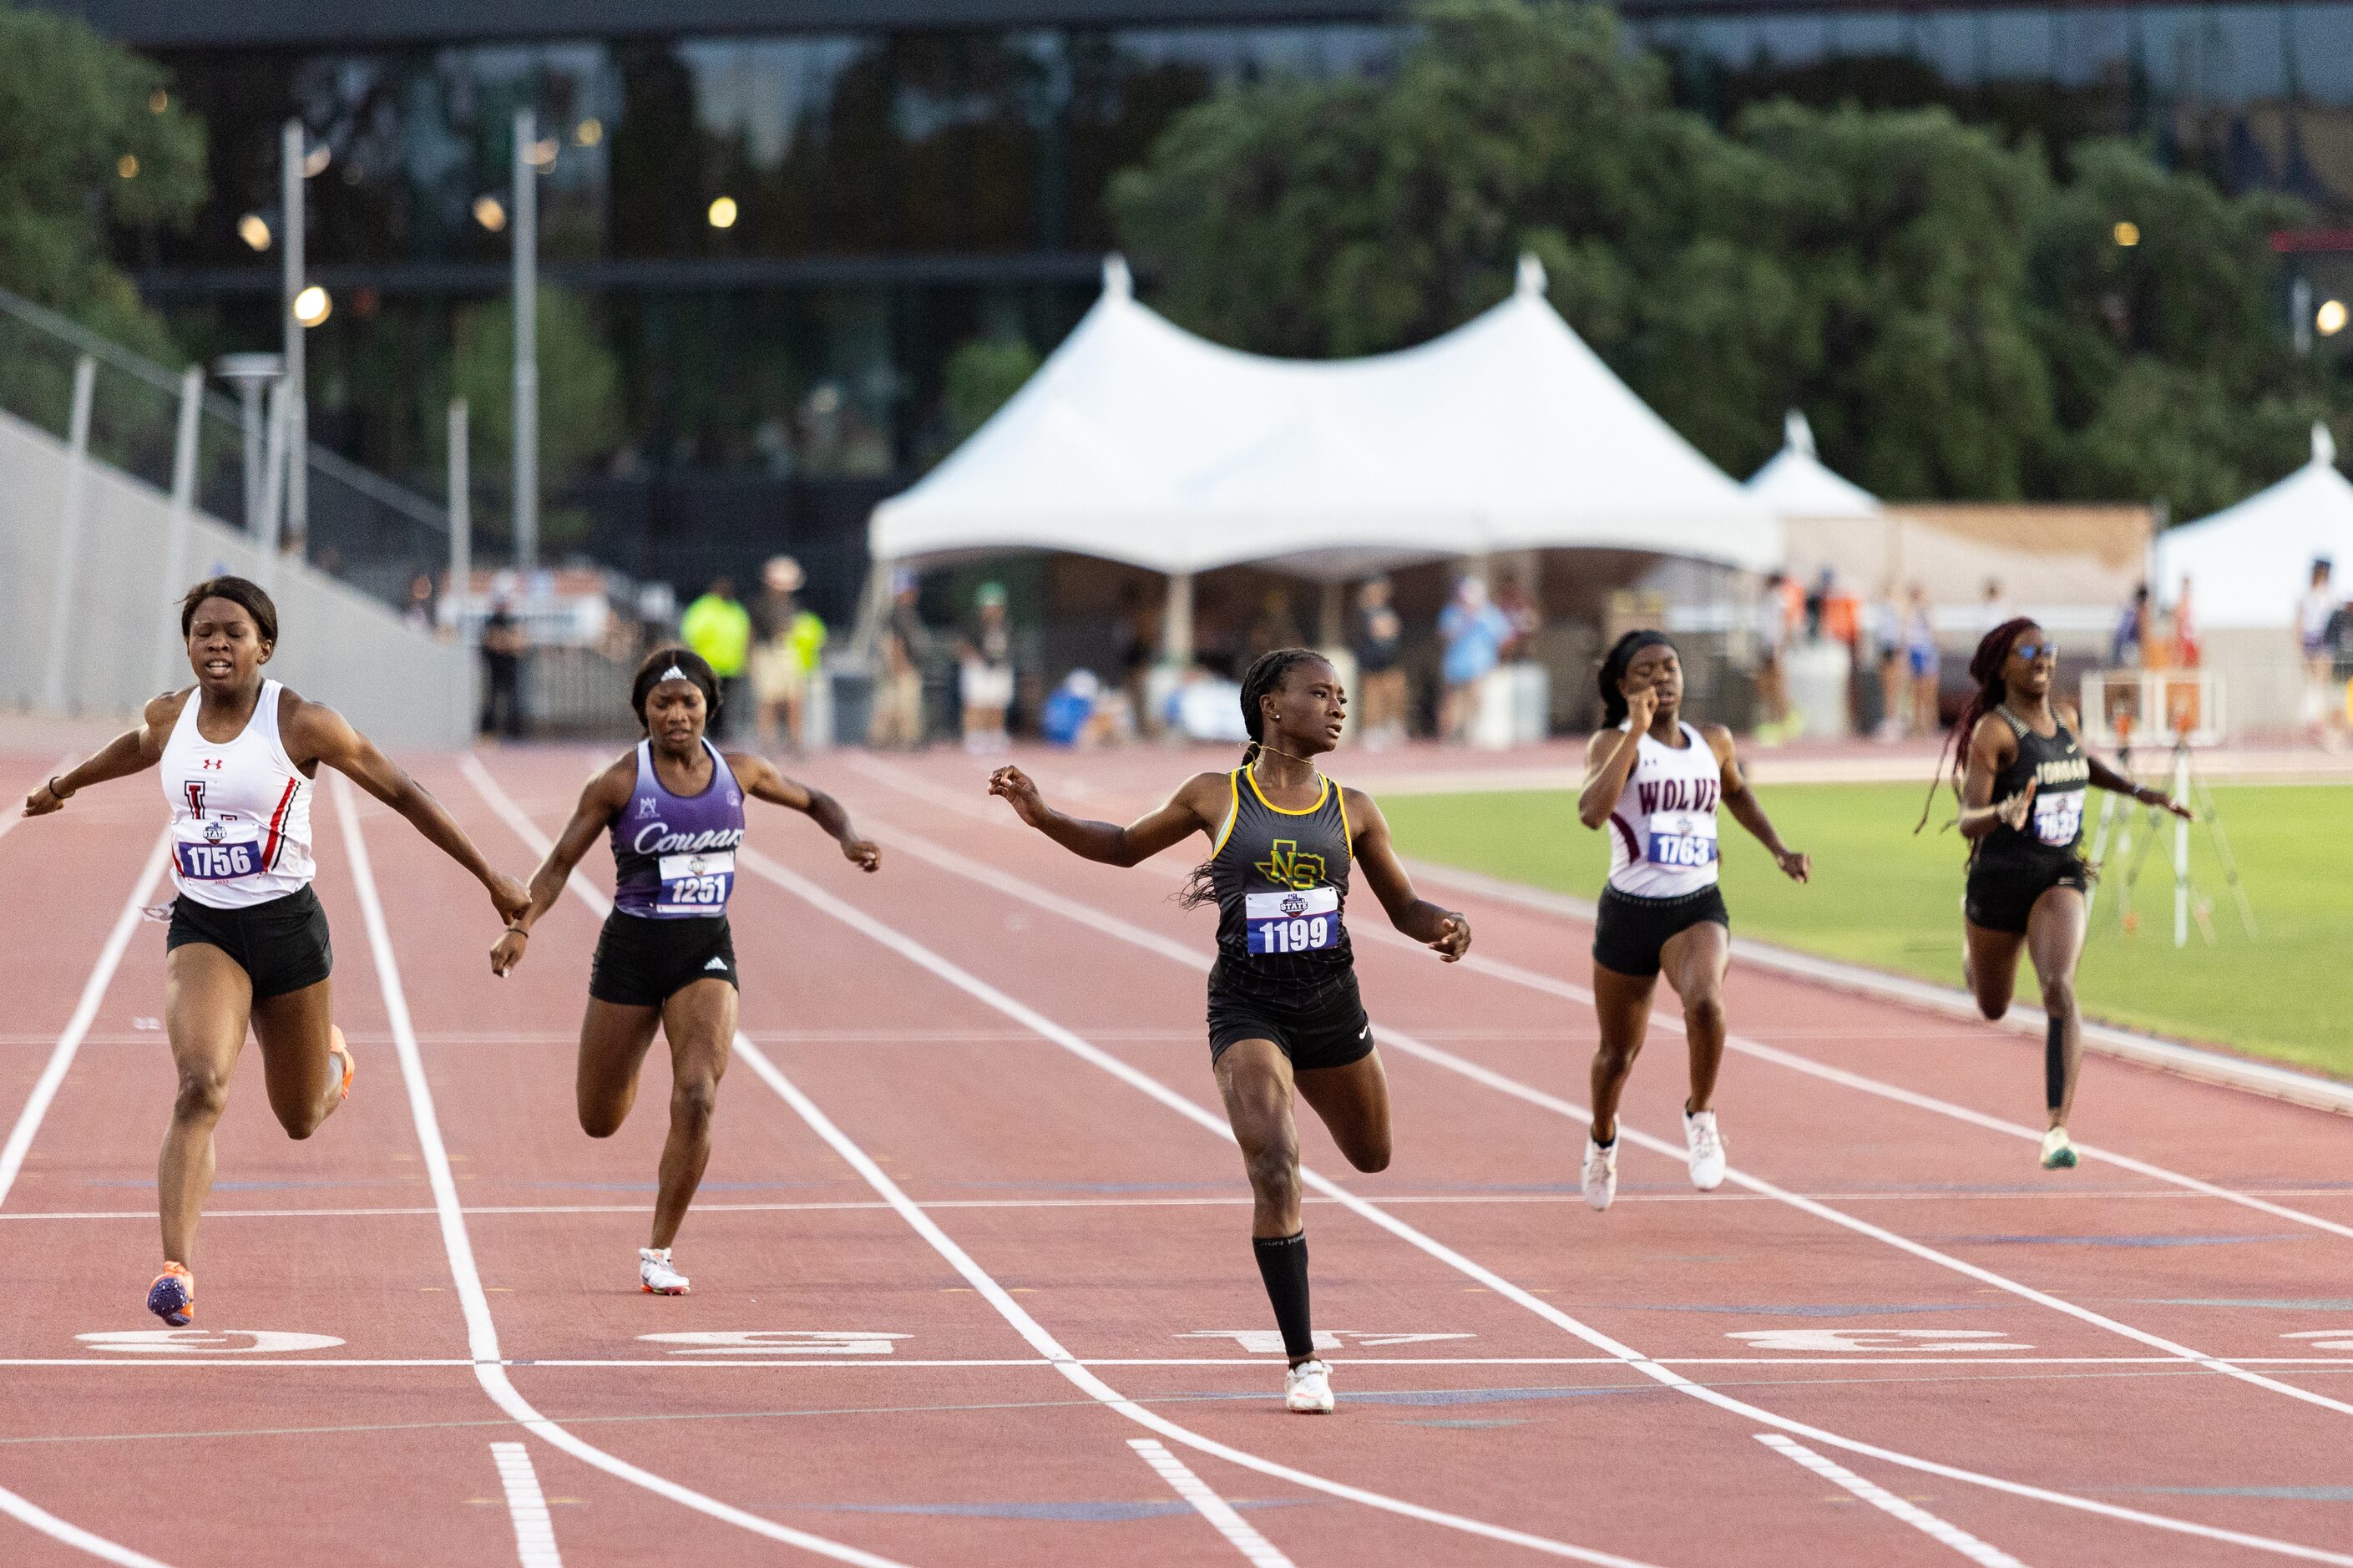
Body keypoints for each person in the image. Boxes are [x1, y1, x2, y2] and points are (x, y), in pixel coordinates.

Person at [22, 575, 529, 1325]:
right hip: (206, 929)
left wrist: (491, 878)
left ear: (265, 643)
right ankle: (176, 1270)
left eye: (233, 632)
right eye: (203, 633)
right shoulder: (172, 715)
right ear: (188, 646)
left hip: (289, 933)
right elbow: (135, 747)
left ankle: (333, 1064)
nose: (217, 644)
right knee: (202, 1087)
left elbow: (404, 789)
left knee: (299, 1117)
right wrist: (64, 784)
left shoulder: (302, 723)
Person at [987, 649, 1470, 1414]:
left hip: (1330, 1003)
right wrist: (1042, 815)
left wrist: (1443, 924)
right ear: (1272, 706)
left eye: (1342, 697)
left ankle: (1304, 1349)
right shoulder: (1216, 795)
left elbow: (1403, 907)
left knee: (1373, 1156)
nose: (1338, 708)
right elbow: (1121, 847)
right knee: (1276, 1165)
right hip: (1247, 1004)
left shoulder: (1356, 808)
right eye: (1321, 694)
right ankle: (1304, 1362)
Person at [490, 648, 879, 1294]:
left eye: (688, 702)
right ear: (643, 712)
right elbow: (559, 863)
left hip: (705, 950)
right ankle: (633, 1052)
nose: (676, 715)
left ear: (709, 708)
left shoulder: (743, 772)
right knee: (599, 1118)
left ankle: (659, 1251)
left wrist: (847, 837)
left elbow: (817, 800)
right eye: (662, 704)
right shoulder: (618, 783)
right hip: (631, 953)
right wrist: (522, 924)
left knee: (697, 1094)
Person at [1922, 619, 2190, 1169]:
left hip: (2058, 874)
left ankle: (2057, 1130)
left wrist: (2139, 791)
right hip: (1999, 881)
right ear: (2003, 665)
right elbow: (1967, 819)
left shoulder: (2064, 717)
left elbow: (2078, 763)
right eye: (2029, 651)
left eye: (2048, 649)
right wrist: (2002, 811)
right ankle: (1973, 954)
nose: (2042, 658)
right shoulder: (1995, 734)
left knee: (2058, 986)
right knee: (1993, 1007)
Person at [1575, 632, 1809, 1211]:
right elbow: (1591, 813)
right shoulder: (1610, 742)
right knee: (1616, 1056)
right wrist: (1633, 731)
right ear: (1625, 686)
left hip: (1696, 906)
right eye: (1647, 671)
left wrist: (1779, 849)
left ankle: (1700, 1115)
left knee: (1704, 1003)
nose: (1662, 678)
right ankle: (1603, 1138)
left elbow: (1739, 795)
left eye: (1670, 666)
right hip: (1629, 912)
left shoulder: (1715, 741)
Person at [749, 556, 827, 755]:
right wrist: (749, 660)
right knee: (769, 700)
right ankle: (767, 741)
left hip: (788, 654)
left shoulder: (795, 605)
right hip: (768, 653)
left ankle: (795, 741)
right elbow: (753, 634)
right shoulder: (759, 605)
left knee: (794, 698)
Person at [1438, 577, 1510, 745]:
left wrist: (1499, 660)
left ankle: (1469, 733)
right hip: (1456, 664)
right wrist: (1464, 621)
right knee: (1453, 700)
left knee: (1475, 699)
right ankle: (1450, 735)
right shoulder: (1452, 612)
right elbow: (1444, 635)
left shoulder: (1489, 612)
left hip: (1479, 664)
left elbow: (1503, 637)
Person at [680, 578, 752, 741]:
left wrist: (746, 658)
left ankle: (719, 735)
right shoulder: (703, 608)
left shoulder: (735, 609)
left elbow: (746, 634)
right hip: (707, 664)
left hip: (730, 666)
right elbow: (691, 635)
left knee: (723, 703)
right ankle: (704, 733)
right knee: (706, 700)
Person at [868, 569, 931, 751]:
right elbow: (894, 642)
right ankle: (900, 739)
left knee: (896, 704)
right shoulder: (897, 614)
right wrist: (899, 665)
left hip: (904, 665)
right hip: (901, 665)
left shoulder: (906, 613)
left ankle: (886, 739)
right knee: (900, 705)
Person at [959, 582, 1015, 754]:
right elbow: (962, 646)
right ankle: (974, 736)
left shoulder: (1007, 625)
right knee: (976, 702)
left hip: (999, 667)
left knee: (997, 703)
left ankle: (995, 735)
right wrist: (975, 658)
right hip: (979, 667)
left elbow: (1011, 646)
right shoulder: (973, 624)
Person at [1352, 577, 1407, 749]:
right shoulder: (1364, 611)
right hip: (1371, 661)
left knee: (1394, 694)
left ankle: (1390, 726)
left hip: (1390, 660)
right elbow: (1379, 631)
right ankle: (1371, 731)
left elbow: (1394, 630)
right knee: (1372, 698)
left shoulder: (1388, 611)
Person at [2298, 560, 2337, 746]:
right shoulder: (2313, 596)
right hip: (2314, 640)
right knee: (2316, 684)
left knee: (2320, 685)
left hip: (2321, 640)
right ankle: (2317, 722)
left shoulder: (2325, 596)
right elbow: (2301, 623)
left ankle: (2319, 722)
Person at [1751, 573, 1793, 741]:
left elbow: (1783, 624)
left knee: (1776, 684)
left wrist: (1779, 645)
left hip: (1772, 645)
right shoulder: (1767, 599)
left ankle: (1781, 720)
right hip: (1766, 645)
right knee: (1765, 685)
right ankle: (1773, 720)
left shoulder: (1777, 599)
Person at [479, 594, 527, 740]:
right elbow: (491, 643)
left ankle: (514, 733)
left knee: (514, 700)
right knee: (492, 700)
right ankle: (489, 731)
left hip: (510, 666)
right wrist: (504, 641)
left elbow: (519, 644)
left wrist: (505, 641)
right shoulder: (491, 622)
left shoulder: (512, 622)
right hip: (495, 666)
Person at [1902, 584, 1941, 738]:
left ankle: (1928, 723)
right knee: (1918, 690)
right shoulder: (1912, 611)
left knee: (1927, 689)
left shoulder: (1924, 610)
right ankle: (1919, 724)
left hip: (1924, 651)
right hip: (1919, 651)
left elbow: (1932, 631)